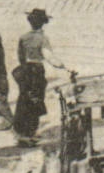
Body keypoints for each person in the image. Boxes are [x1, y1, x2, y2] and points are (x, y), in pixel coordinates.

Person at [14, 8, 66, 145]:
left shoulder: (23, 37)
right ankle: (31, 133)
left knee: (24, 99)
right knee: (36, 101)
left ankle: (22, 133)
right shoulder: (42, 39)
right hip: (37, 71)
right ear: (43, 23)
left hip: (25, 70)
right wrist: (61, 65)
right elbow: (48, 56)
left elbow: (20, 56)